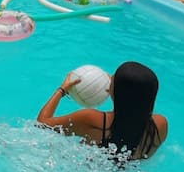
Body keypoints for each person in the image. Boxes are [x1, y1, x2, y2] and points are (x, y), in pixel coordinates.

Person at [37, 60, 168, 160]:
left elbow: (42, 124)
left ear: (115, 92)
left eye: (113, 79)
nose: (109, 78)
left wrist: (62, 89)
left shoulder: (93, 119)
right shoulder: (160, 125)